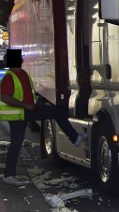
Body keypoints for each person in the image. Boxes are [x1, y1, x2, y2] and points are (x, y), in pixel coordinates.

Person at [1, 49, 85, 185]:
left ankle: (75, 138)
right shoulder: (10, 77)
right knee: (16, 144)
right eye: (20, 57)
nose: (22, 59)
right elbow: (5, 97)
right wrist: (25, 105)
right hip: (19, 114)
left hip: (28, 110)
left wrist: (34, 103)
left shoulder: (22, 74)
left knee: (56, 112)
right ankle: (9, 175)